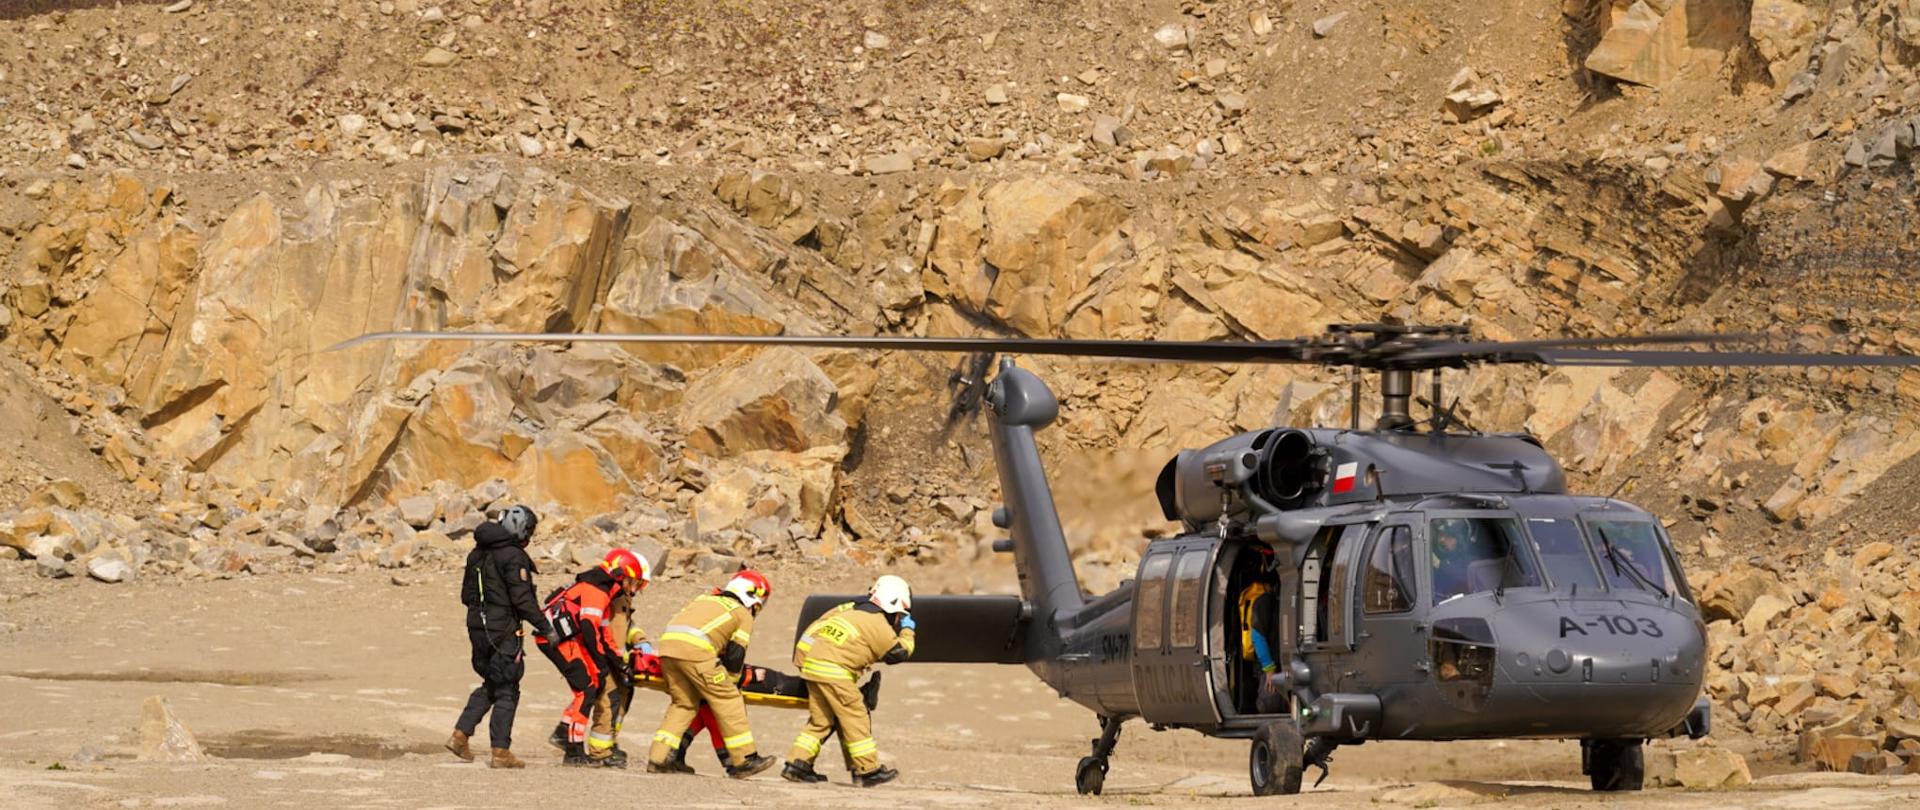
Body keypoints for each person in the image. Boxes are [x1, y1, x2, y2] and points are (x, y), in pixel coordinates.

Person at [782, 574, 916, 787]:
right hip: (835, 672)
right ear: (894, 604)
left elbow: (812, 632)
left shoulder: (846, 612)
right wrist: (908, 630)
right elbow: (897, 654)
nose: (898, 618)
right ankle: (868, 770)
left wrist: (802, 662)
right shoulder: (876, 622)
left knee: (821, 721)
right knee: (856, 716)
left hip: (813, 667)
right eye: (900, 614)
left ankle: (797, 765)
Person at [447, 505, 554, 769]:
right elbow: (523, 599)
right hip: (502, 630)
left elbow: (465, 596)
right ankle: (500, 751)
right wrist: (545, 627)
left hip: (476, 627)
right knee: (507, 688)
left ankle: (460, 736)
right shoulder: (513, 556)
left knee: (492, 683)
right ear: (521, 531)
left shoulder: (476, 554)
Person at [644, 570, 778, 778]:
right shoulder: (742, 613)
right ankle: (744, 760)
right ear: (753, 597)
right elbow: (735, 657)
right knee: (729, 700)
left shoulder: (704, 599)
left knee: (684, 704)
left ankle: (658, 759)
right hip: (696, 653)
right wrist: (729, 683)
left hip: (667, 650)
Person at [535, 548, 648, 766]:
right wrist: (600, 662)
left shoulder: (604, 589)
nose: (632, 589)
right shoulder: (597, 589)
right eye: (632, 582)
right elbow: (588, 626)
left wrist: (617, 661)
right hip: (558, 640)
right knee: (586, 689)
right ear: (621, 575)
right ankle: (574, 751)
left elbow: (603, 632)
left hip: (566, 638)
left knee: (592, 684)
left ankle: (563, 733)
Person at [582, 553, 653, 767]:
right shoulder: (608, 595)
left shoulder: (622, 596)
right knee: (607, 701)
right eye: (636, 583)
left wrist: (640, 641)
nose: (636, 589)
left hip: (619, 660)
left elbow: (627, 626)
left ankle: (609, 743)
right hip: (606, 659)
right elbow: (600, 629)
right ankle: (599, 751)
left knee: (622, 699)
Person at [1236, 549, 1283, 712]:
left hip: (1273, 665)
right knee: (1271, 704)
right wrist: (1270, 670)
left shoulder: (1272, 598)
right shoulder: (1264, 600)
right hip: (1269, 667)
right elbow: (1257, 636)